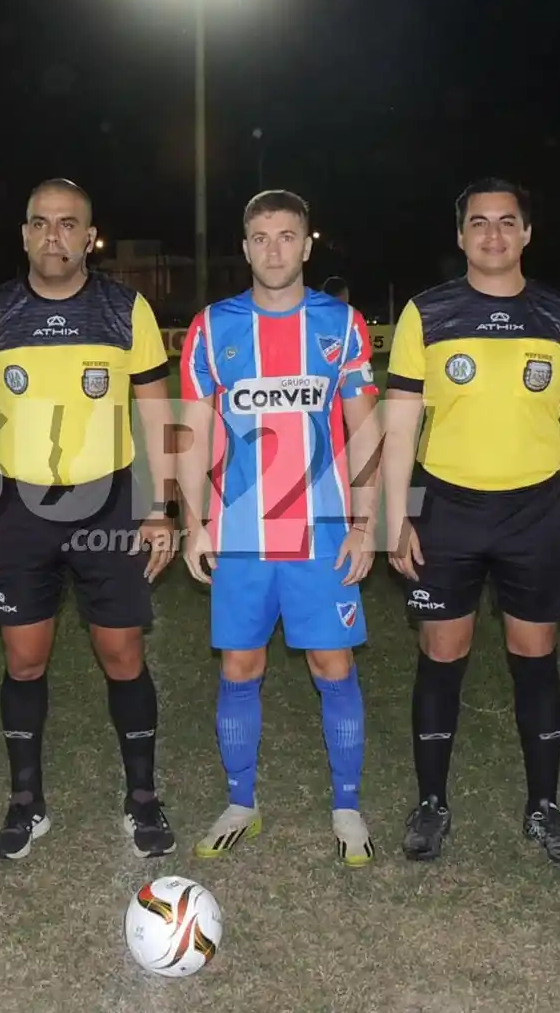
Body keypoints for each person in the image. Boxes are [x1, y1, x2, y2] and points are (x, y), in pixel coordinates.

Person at [0, 178, 180, 860]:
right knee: (24, 660)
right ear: (24, 233)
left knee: (122, 653)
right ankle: (26, 799)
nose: (54, 235)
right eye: (41, 223)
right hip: (19, 507)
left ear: (89, 235)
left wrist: (162, 507)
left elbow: (158, 415)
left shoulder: (123, 308)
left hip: (108, 503)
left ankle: (142, 796)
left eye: (68, 223)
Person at [381, 177, 560, 866]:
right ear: (460, 237)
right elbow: (396, 425)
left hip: (535, 511)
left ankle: (544, 806)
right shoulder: (428, 313)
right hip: (447, 508)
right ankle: (431, 804)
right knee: (441, 654)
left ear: (527, 232)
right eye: (478, 223)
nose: (492, 234)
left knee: (535, 657)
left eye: (507, 221)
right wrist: (397, 515)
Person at [178, 190, 380, 867]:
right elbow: (195, 430)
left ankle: (347, 806)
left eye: (286, 236)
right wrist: (194, 521)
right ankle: (242, 801)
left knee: (333, 662)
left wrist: (364, 521)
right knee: (241, 663)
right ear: (245, 247)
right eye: (261, 237)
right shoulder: (212, 327)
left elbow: (364, 427)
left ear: (307, 242)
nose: (273, 249)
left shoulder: (342, 323)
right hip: (241, 532)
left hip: (321, 528)